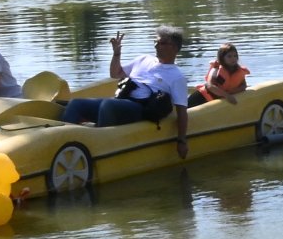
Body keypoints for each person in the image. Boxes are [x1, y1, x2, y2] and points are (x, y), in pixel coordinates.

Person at [60, 26, 192, 157]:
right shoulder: (144, 59)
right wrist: (116, 54)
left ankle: (97, 149)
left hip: (141, 109)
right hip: (122, 102)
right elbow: (115, 73)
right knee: (76, 104)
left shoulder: (177, 77)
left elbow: (181, 111)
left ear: (174, 48)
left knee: (108, 106)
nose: (156, 46)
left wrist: (181, 141)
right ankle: (62, 145)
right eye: (155, 42)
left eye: (161, 43)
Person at [189, 42, 249, 107]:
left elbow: (243, 85)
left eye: (235, 56)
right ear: (222, 58)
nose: (233, 58)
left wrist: (232, 92)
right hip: (201, 97)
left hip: (216, 100)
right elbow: (210, 86)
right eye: (229, 56)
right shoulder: (216, 69)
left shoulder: (239, 71)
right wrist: (227, 96)